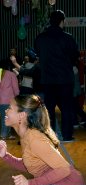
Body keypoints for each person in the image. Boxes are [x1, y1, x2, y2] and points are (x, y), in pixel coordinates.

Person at [35, 10, 80, 142]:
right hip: (65, 79)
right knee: (66, 108)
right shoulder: (68, 38)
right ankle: (66, 136)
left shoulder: (40, 38)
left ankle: (50, 135)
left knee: (49, 110)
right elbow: (74, 57)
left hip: (48, 80)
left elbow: (38, 54)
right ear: (62, 21)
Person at [0, 59, 19, 139]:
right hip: (8, 99)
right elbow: (15, 88)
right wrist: (18, 95)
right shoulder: (11, 74)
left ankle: (8, 134)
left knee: (5, 117)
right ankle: (3, 134)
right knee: (7, 117)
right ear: (8, 66)